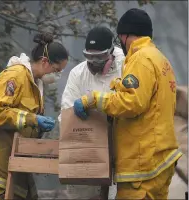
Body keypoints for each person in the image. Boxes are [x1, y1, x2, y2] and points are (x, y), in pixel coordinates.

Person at [73, 8, 182, 199]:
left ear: (126, 35)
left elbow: (132, 102)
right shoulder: (160, 59)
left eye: (120, 36)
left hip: (143, 163)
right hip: (161, 159)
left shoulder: (140, 59)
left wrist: (93, 99)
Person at [0, 33, 69, 200]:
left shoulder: (36, 85)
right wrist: (33, 119)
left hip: (15, 166)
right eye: (56, 70)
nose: (57, 76)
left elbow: (22, 123)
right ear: (45, 61)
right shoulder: (15, 76)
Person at [59, 26, 125, 199]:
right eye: (89, 56)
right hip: (89, 150)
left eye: (100, 57)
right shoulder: (78, 74)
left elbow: (131, 104)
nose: (94, 62)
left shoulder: (126, 67)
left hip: (122, 149)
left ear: (111, 51)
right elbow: (65, 113)